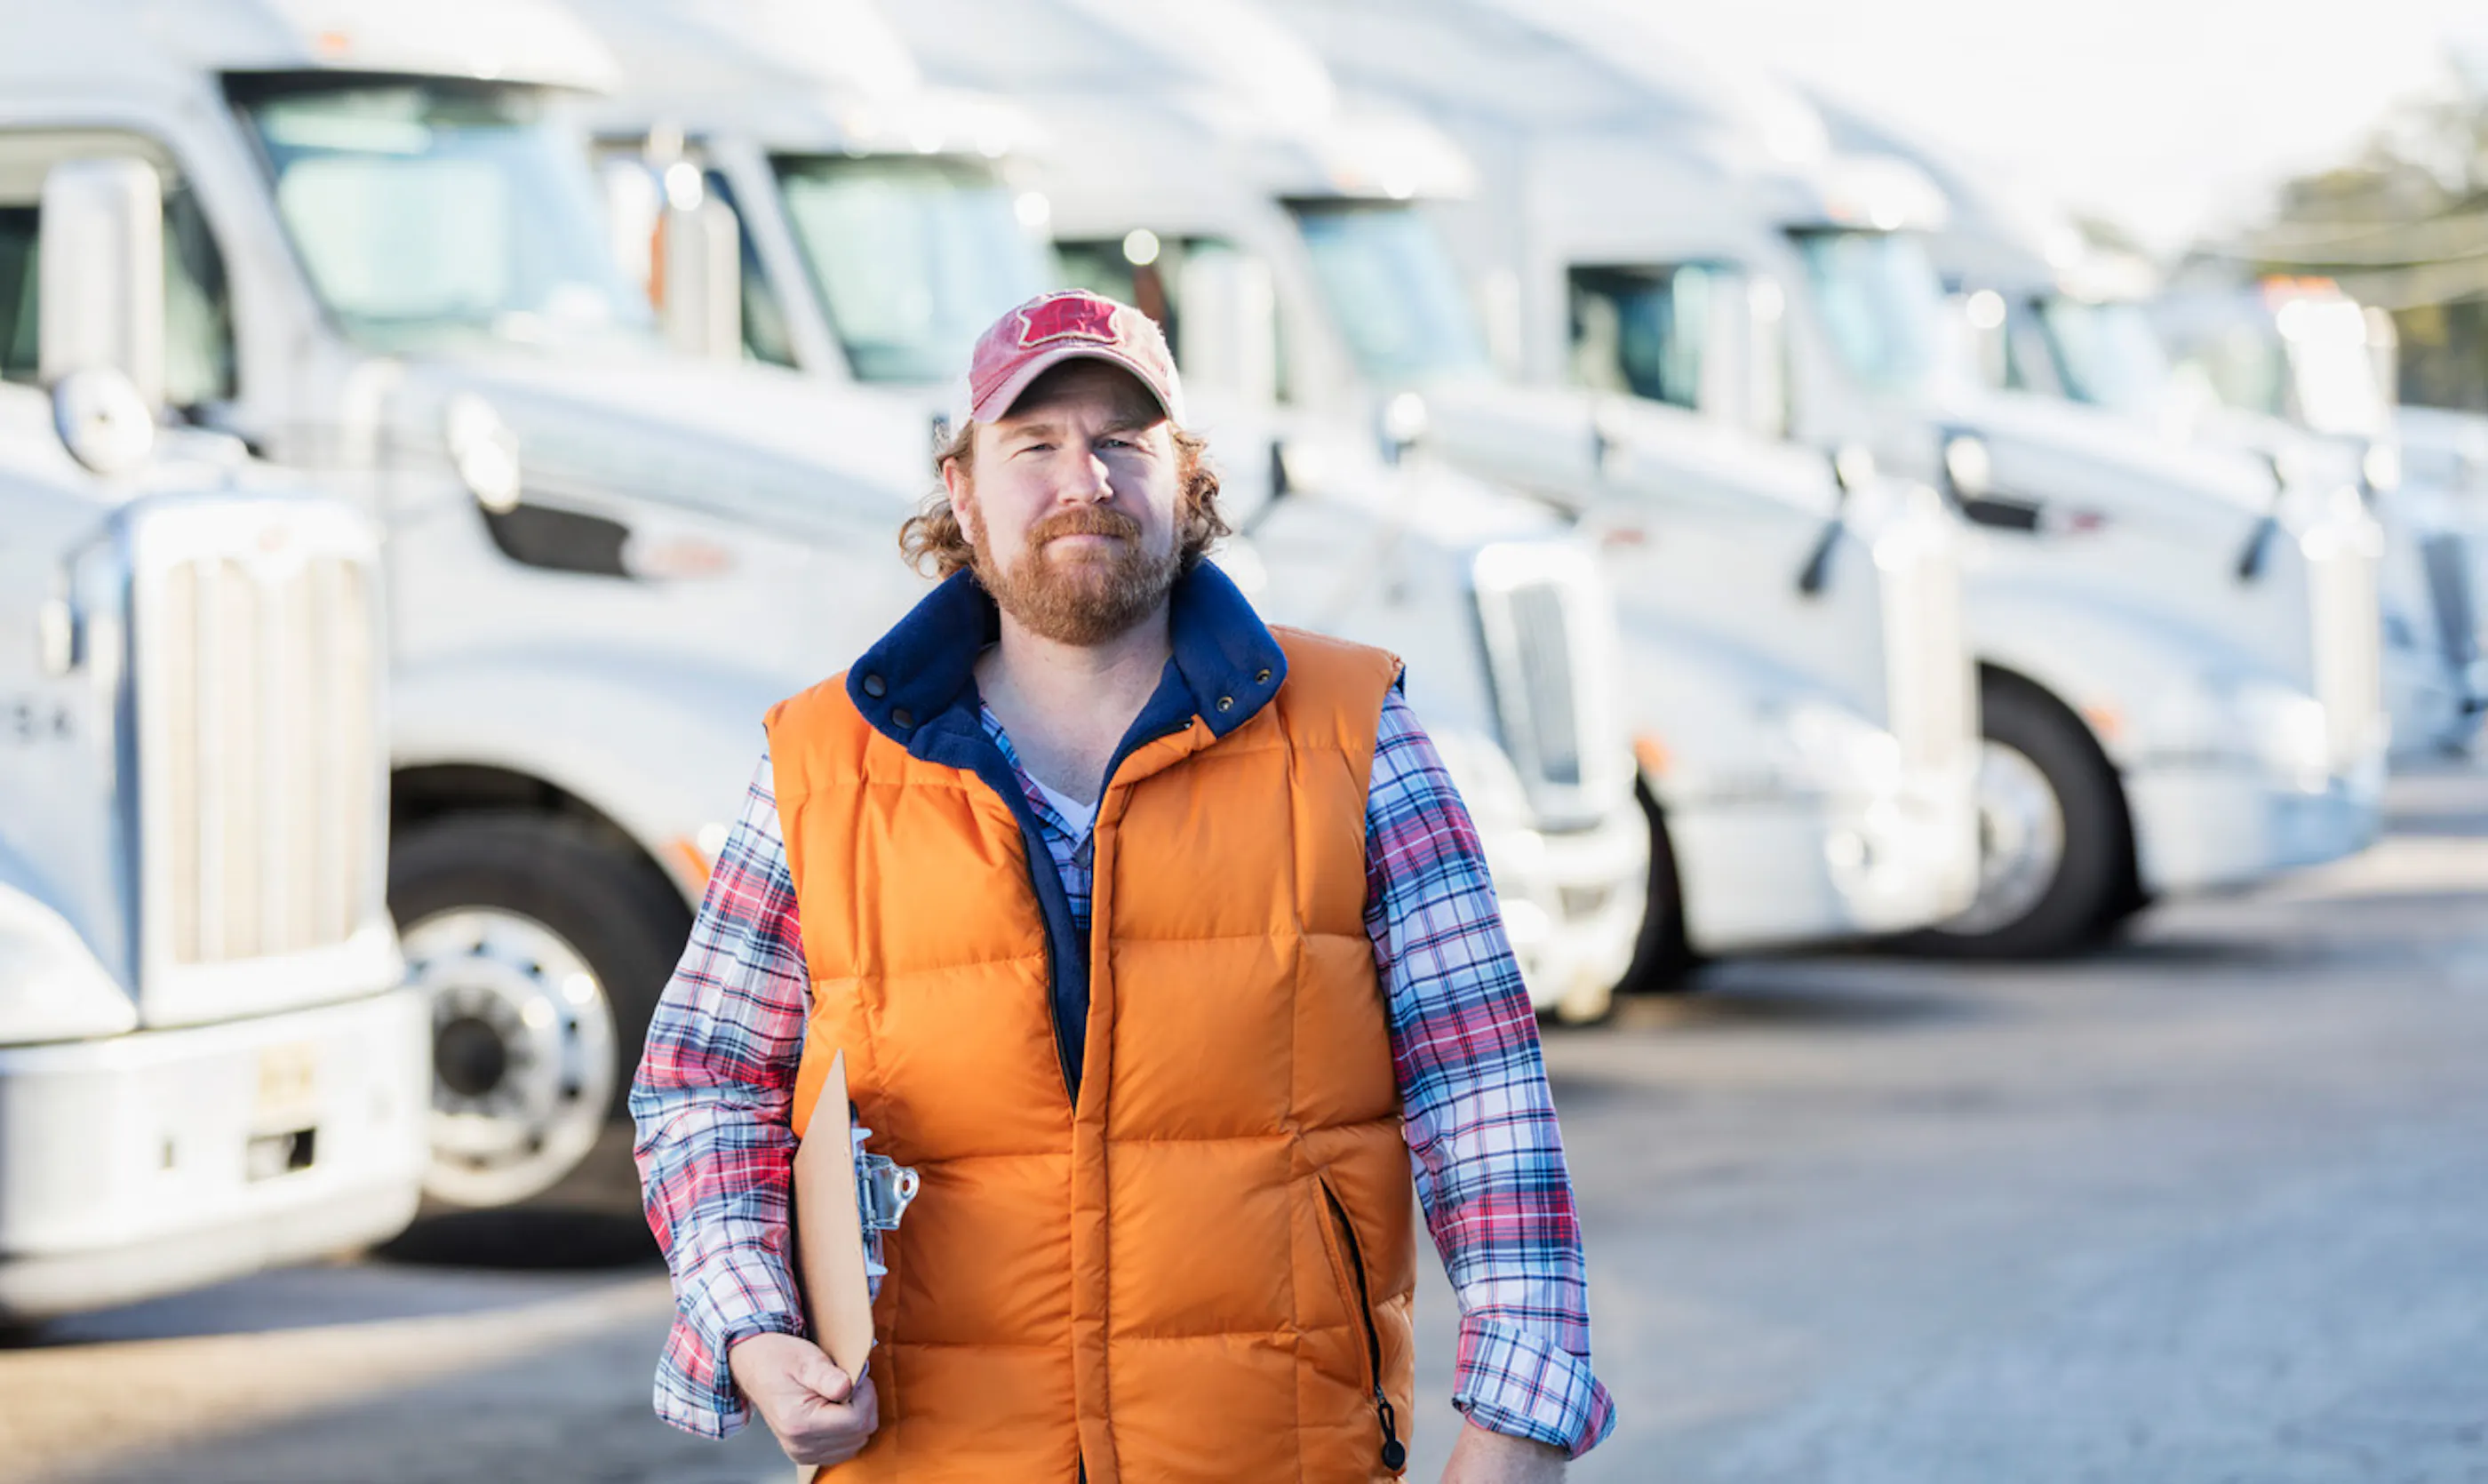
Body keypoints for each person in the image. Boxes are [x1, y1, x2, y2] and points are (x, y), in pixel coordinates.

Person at [632, 290, 1614, 1482]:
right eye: (1034, 444)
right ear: (961, 488)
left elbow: (1483, 1091)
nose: (1082, 478)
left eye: (1121, 439)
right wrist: (752, 1327)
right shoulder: (821, 765)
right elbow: (704, 1083)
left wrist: (1517, 1426)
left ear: (1187, 473)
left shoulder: (1357, 736)